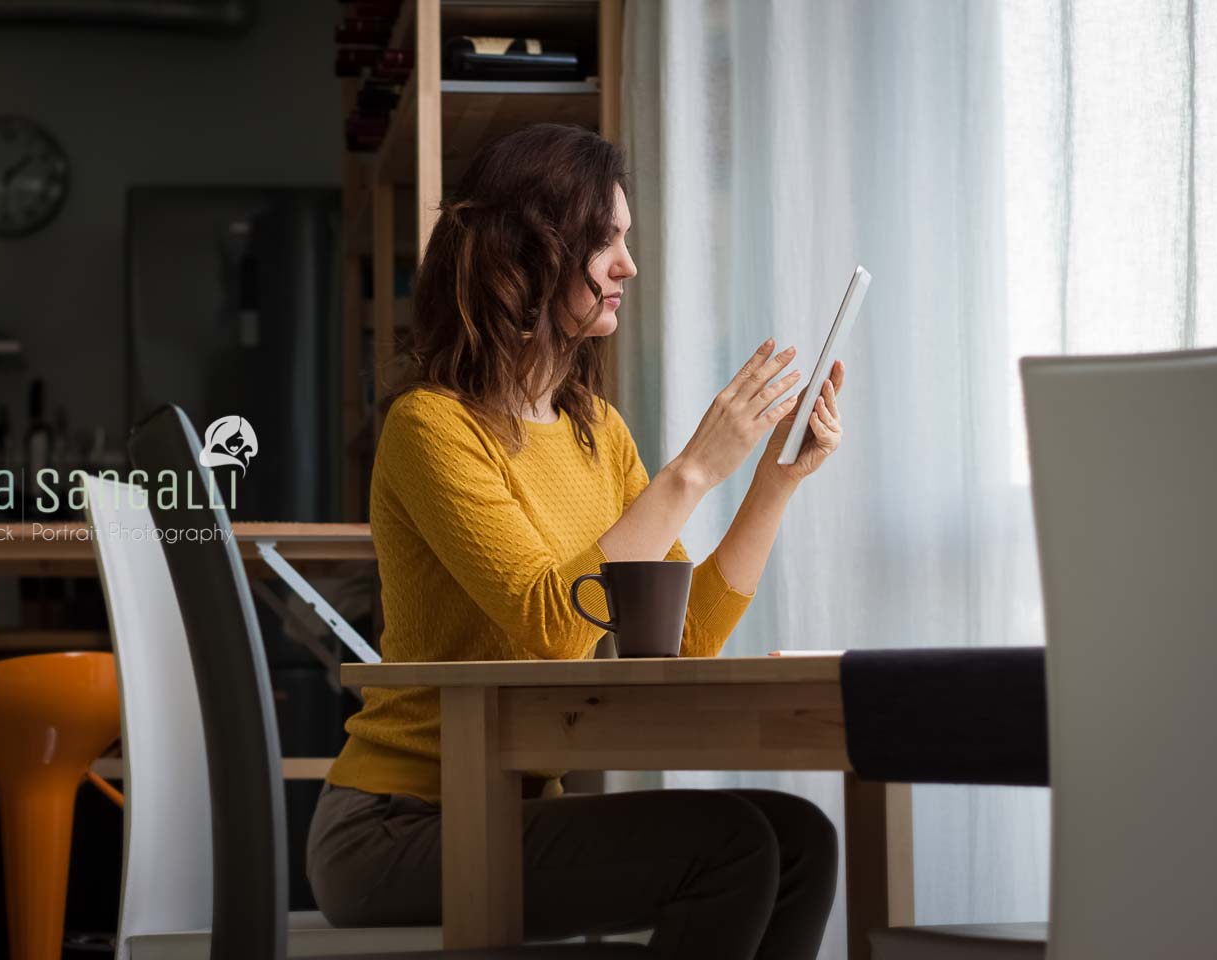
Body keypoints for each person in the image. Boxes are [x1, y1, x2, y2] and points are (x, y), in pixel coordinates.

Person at [307, 123, 845, 959]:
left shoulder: (596, 430)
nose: (628, 265)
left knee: (803, 839)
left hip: (511, 816)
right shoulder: (430, 428)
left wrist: (774, 481)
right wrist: (692, 473)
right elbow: (553, 629)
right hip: (395, 826)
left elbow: (684, 635)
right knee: (733, 843)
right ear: (525, 257)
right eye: (606, 242)